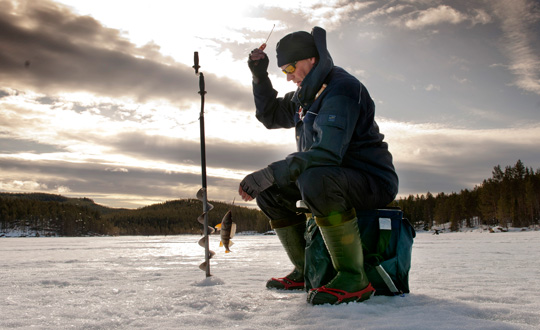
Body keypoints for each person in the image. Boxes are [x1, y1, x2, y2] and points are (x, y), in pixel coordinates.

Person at [238, 26, 398, 305]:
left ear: (311, 59)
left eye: (289, 67)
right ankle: (305, 271)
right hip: (330, 177)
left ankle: (354, 278)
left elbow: (327, 153)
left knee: (315, 178)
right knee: (270, 192)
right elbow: (270, 115)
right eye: (282, 70)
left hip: (370, 180)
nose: (287, 76)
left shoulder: (342, 89)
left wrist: (271, 171)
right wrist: (259, 76)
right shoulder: (305, 96)